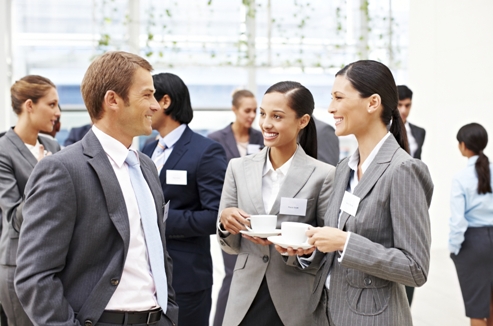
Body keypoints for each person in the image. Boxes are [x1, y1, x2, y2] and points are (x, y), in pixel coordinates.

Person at [14, 51, 178, 326]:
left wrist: (169, 313)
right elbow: (34, 276)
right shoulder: (63, 169)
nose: (155, 106)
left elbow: (157, 252)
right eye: (146, 95)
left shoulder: (146, 167)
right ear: (113, 100)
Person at [306, 60, 434, 326]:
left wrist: (345, 242)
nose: (331, 108)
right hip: (330, 314)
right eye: (331, 98)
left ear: (373, 103)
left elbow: (415, 268)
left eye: (339, 98)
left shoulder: (403, 170)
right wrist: (307, 250)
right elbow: (335, 245)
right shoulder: (344, 169)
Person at [217, 81, 336, 326]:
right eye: (263, 114)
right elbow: (229, 246)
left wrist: (304, 252)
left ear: (302, 121)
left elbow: (327, 247)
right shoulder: (238, 168)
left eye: (277, 116)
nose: (265, 124)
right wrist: (226, 223)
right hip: (245, 297)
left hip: (297, 299)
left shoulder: (324, 175)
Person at [141, 72, 227, 326]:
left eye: (148, 96)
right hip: (147, 275)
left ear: (165, 101)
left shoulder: (206, 151)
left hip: (186, 277)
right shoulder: (147, 148)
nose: (144, 106)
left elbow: (215, 216)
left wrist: (159, 219)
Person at [0, 75, 61, 325]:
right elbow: (14, 216)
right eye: (51, 104)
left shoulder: (53, 146)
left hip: (56, 262)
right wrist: (43, 172)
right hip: (19, 265)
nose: (57, 112)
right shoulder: (3, 150)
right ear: (29, 105)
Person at [207, 89, 264, 326]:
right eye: (247, 110)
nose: (252, 115)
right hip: (231, 216)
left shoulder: (260, 138)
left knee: (255, 276)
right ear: (234, 110)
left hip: (256, 216)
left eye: (255, 111)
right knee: (232, 274)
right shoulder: (216, 139)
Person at [449, 123, 493, 326]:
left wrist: (454, 249)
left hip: (473, 243)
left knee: (477, 308)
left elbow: (458, 221)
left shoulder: (461, 178)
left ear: (463, 146)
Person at [397, 85, 425, 160]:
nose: (403, 110)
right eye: (399, 105)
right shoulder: (383, 130)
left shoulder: (420, 132)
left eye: (407, 105)